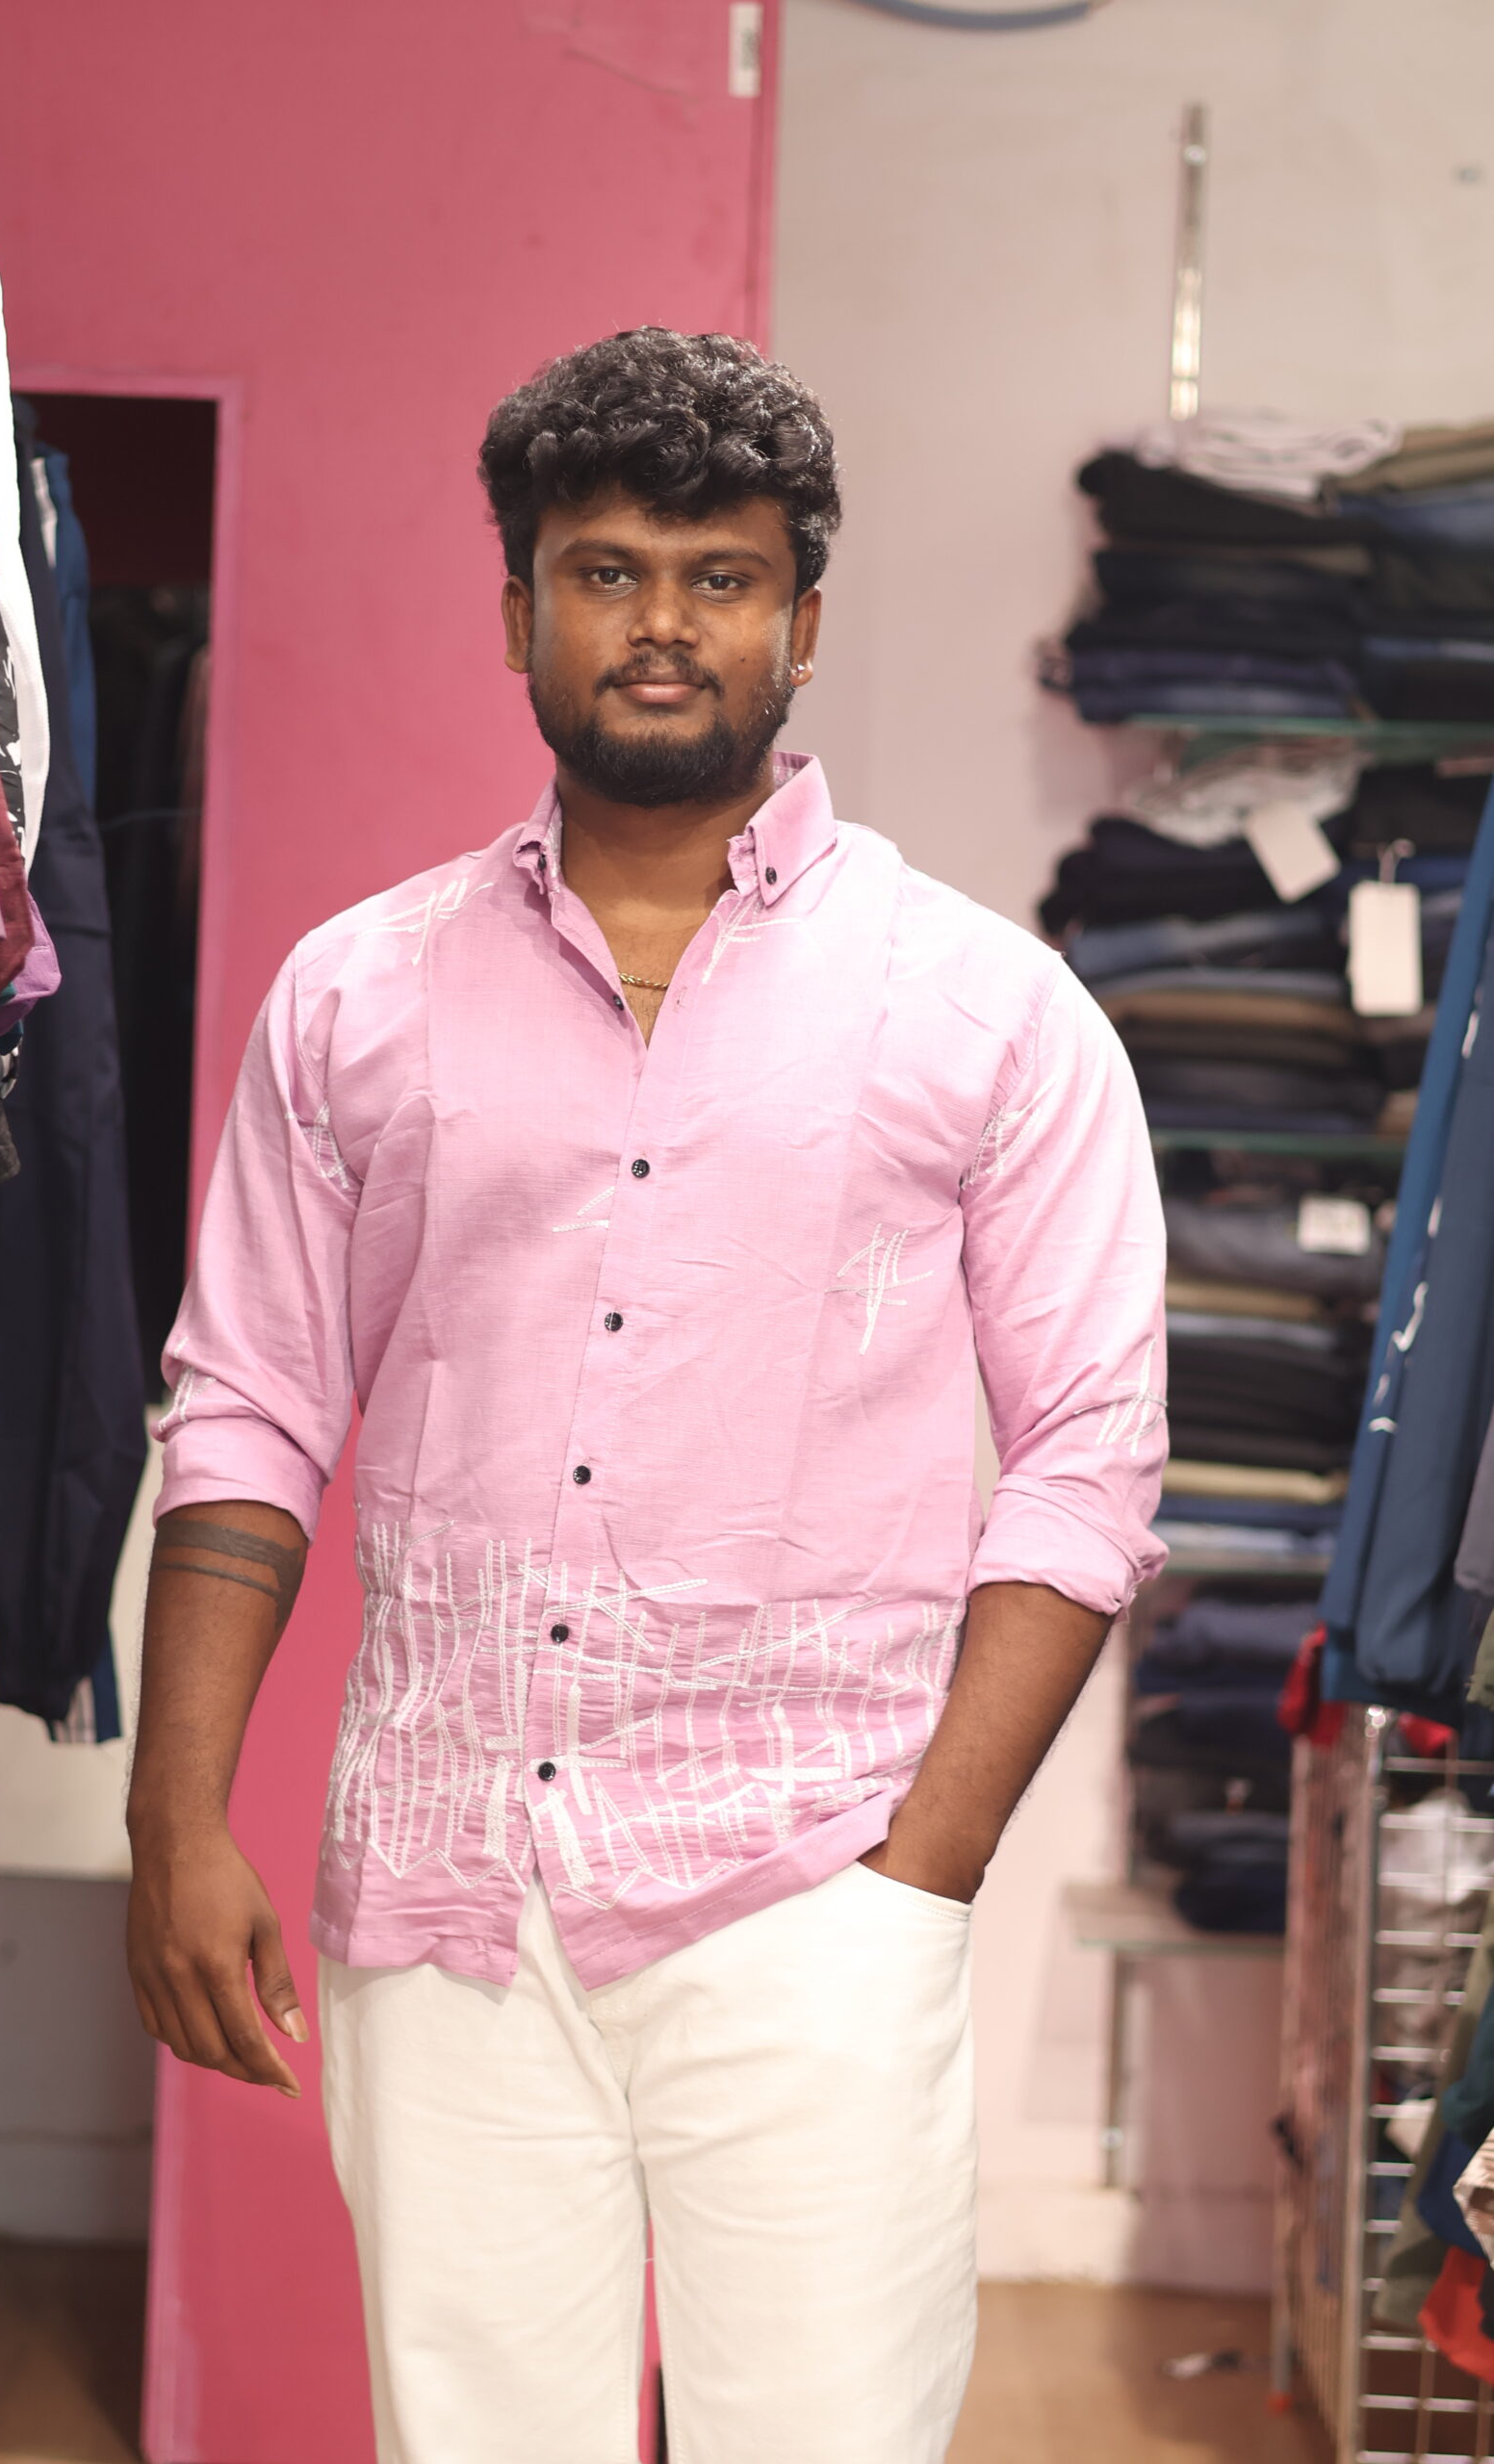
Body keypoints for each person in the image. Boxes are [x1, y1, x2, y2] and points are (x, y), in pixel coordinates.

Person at [124, 327, 1168, 2464]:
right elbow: (245, 1411)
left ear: (802, 621)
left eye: (719, 576)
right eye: (605, 571)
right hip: (443, 1898)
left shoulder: (987, 1010)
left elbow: (1088, 1456)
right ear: (519, 610)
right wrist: (174, 1810)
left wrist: (919, 1877)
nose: (662, 624)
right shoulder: (355, 996)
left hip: (813, 1889)